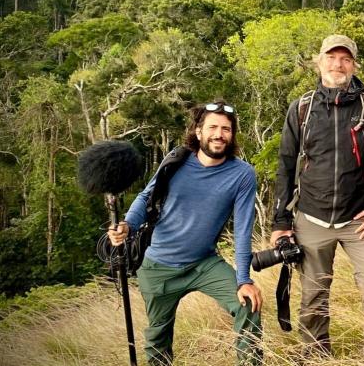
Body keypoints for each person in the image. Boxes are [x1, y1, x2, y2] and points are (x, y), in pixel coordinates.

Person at [108, 101, 262, 365]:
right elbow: (146, 197)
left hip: (204, 263)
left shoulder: (242, 174)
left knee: (248, 304)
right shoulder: (176, 161)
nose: (219, 134)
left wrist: (243, 279)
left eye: (226, 129)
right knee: (158, 339)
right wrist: (127, 225)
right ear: (198, 131)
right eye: (212, 127)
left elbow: (242, 230)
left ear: (232, 135)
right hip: (158, 266)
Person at [270, 34, 364, 358]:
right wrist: (281, 222)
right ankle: (315, 354)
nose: (338, 64)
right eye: (331, 57)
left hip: (358, 220)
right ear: (319, 62)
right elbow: (285, 165)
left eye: (345, 59)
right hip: (311, 216)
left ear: (354, 65)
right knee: (313, 297)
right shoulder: (302, 108)